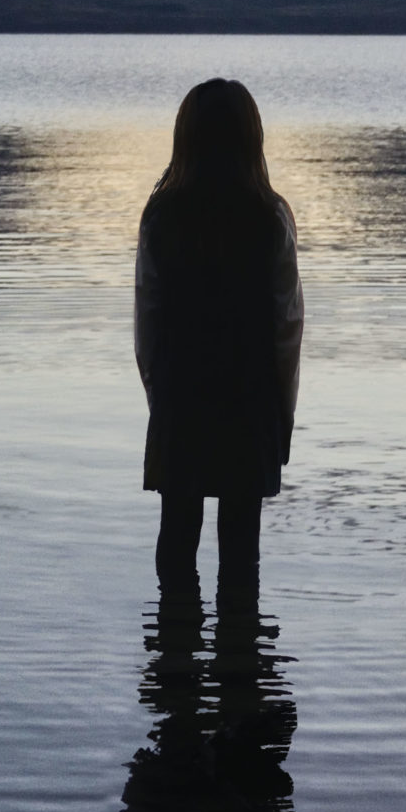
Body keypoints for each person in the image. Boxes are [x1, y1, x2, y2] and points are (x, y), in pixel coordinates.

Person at [135, 79, 303, 590]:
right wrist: (284, 415)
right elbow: (286, 328)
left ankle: (174, 658)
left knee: (176, 546)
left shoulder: (162, 217)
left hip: (180, 399)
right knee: (240, 554)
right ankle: (240, 663)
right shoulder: (270, 217)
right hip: (249, 403)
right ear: (252, 138)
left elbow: (148, 320)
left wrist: (158, 402)